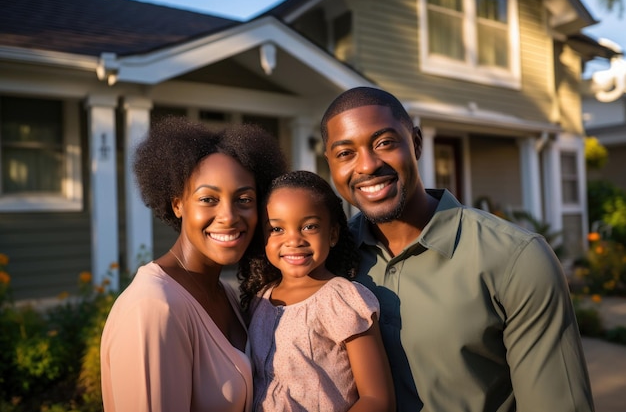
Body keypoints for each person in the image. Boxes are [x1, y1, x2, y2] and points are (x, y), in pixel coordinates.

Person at [320, 86, 594, 412]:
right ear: (331, 164)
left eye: (384, 143)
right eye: (345, 153)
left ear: (416, 143)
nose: (367, 165)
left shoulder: (516, 259)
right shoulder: (326, 258)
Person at [100, 116, 287, 412]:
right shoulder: (154, 308)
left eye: (244, 199)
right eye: (208, 199)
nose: (229, 216)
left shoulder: (224, 294)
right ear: (177, 204)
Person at [239, 170, 395, 412]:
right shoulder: (260, 299)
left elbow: (377, 400)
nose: (294, 240)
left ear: (332, 234)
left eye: (309, 226)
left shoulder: (340, 299)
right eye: (277, 229)